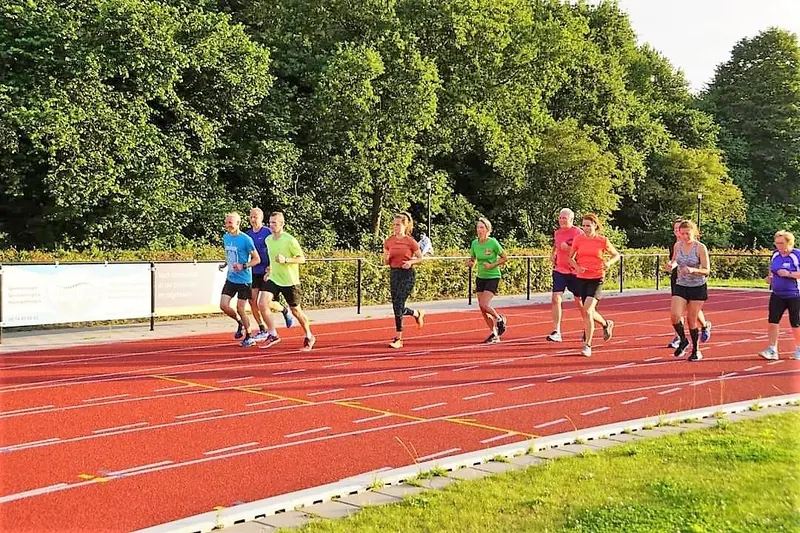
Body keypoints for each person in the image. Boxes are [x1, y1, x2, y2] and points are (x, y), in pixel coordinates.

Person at [258, 212, 316, 351]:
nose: (271, 225)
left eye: (274, 223)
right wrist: (270, 270)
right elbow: (273, 259)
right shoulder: (268, 240)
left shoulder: (290, 240)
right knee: (262, 303)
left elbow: (302, 259)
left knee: (296, 311)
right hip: (274, 278)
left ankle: (309, 335)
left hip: (290, 281)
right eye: (270, 222)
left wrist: (286, 260)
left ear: (282, 224)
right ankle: (273, 334)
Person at [569, 213, 620, 357]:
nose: (585, 228)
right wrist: (577, 267)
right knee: (588, 311)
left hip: (597, 277)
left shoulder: (602, 240)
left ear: (595, 226)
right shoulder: (578, 239)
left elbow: (616, 255)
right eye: (583, 226)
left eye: (588, 226)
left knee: (587, 310)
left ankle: (588, 345)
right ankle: (606, 324)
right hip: (582, 278)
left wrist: (608, 263)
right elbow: (571, 258)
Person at [245, 207, 295, 344]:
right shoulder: (248, 235)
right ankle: (262, 328)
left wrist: (271, 268)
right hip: (254, 271)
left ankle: (284, 309)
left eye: (256, 217)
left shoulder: (268, 232)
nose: (253, 219)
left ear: (261, 218)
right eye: (251, 217)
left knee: (266, 302)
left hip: (268, 271)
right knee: (252, 300)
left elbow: (276, 249)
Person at [664, 220, 710, 361]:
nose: (684, 237)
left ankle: (696, 350)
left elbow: (707, 270)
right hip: (681, 285)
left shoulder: (700, 247)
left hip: (697, 287)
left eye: (687, 234)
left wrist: (693, 270)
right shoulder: (678, 245)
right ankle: (683, 340)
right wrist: (671, 265)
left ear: (694, 233)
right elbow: (675, 260)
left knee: (691, 319)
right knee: (675, 315)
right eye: (682, 233)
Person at [383, 212, 426, 349]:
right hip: (394, 274)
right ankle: (416, 313)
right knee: (397, 305)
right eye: (394, 224)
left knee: (399, 303)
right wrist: (387, 257)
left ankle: (398, 338)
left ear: (405, 225)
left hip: (407, 274)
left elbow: (420, 258)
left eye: (398, 225)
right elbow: (385, 261)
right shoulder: (389, 241)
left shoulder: (410, 241)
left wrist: (411, 262)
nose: (395, 227)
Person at [218, 212, 260, 347]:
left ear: (237, 223)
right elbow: (230, 254)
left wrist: (244, 265)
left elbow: (257, 259)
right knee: (223, 305)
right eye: (226, 223)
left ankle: (249, 336)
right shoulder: (226, 237)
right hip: (231, 278)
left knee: (240, 308)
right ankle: (239, 322)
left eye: (230, 223)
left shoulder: (246, 239)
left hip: (244, 280)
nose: (227, 225)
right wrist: (225, 264)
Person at [758, 230, 800, 361]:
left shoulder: (797, 255)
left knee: (796, 323)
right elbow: (772, 269)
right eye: (776, 243)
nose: (778, 246)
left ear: (789, 243)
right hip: (777, 294)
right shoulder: (775, 254)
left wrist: (789, 274)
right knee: (773, 321)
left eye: (781, 243)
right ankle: (772, 349)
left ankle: (799, 348)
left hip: (795, 294)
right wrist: (769, 278)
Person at [467, 217, 508, 344]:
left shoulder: (493, 242)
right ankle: (494, 334)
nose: (479, 230)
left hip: (493, 276)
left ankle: (499, 318)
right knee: (482, 308)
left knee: (484, 304)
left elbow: (504, 258)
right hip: (481, 277)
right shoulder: (474, 243)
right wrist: (469, 263)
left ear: (487, 230)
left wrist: (491, 265)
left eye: (482, 227)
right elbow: (473, 259)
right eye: (478, 227)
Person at [547, 208, 584, 342]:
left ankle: (588, 326)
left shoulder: (578, 232)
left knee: (580, 302)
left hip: (574, 271)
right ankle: (557, 331)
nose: (562, 220)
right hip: (559, 270)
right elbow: (556, 245)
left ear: (571, 219)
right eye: (560, 218)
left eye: (565, 218)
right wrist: (553, 254)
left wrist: (568, 249)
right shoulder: (557, 233)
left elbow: (583, 251)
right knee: (556, 298)